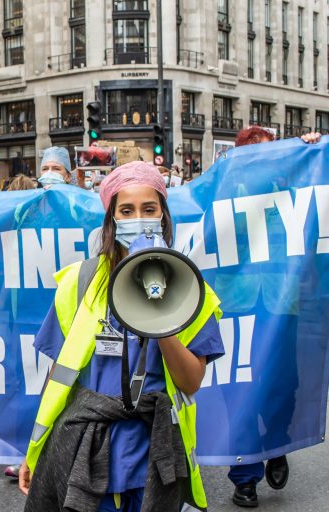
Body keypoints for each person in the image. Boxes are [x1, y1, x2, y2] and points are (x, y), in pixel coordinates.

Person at [18, 161, 225, 512]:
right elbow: (57, 378)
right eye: (126, 210)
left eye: (149, 208)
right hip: (86, 450)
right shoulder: (80, 283)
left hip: (153, 458)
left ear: (163, 215)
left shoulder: (191, 290)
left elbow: (190, 382)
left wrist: (161, 323)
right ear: (112, 220)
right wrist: (35, 451)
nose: (138, 218)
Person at [224, 126, 322, 508]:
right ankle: (244, 475)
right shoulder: (225, 189)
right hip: (239, 303)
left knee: (283, 383)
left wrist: (311, 151)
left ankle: (277, 444)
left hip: (282, 302)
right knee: (241, 388)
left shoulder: (293, 186)